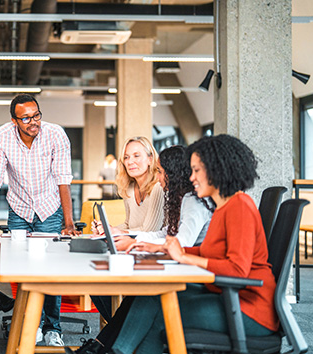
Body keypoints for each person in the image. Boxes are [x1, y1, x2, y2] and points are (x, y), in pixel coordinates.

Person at [110, 134, 277, 354]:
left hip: (249, 309)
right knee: (150, 296)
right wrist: (162, 248)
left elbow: (237, 270)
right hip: (227, 295)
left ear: (218, 170)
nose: (192, 177)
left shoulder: (240, 206)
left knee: (163, 310)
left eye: (197, 171)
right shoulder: (222, 207)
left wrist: (183, 256)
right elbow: (211, 252)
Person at [68, 145, 214, 354]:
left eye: (161, 172)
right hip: (183, 268)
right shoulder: (183, 198)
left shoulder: (194, 200)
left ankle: (107, 349)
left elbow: (182, 243)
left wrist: (138, 243)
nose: (159, 177)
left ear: (173, 173)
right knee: (138, 296)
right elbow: (166, 233)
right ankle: (102, 347)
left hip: (192, 274)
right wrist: (132, 240)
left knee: (145, 293)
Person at [0, 93, 78, 346]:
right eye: (26, 118)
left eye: (37, 115)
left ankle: (53, 328)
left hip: (50, 208)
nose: (33, 122)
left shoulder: (56, 135)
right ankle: (32, 322)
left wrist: (69, 222)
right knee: (20, 268)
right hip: (19, 209)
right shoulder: (1, 137)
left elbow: (64, 178)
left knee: (51, 270)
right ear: (14, 120)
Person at [92, 137, 165, 254]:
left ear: (150, 159)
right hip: (135, 249)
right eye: (126, 157)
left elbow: (150, 230)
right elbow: (128, 224)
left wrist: (116, 231)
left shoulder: (159, 187)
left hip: (154, 252)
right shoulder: (129, 188)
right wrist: (107, 230)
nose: (130, 162)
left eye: (136, 156)